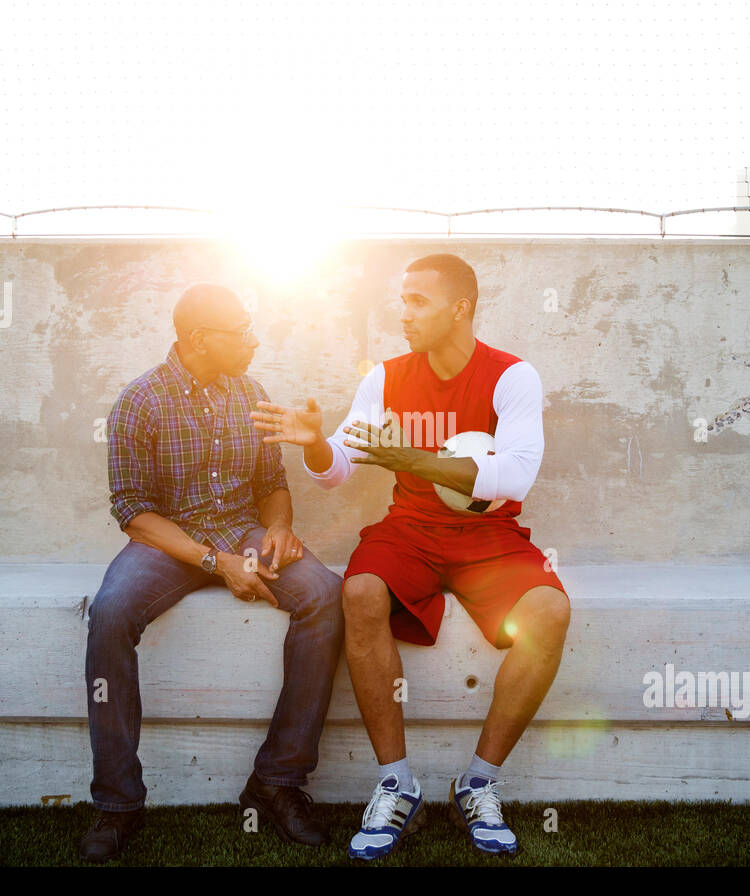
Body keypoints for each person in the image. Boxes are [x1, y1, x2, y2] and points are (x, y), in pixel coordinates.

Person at [252, 253, 571, 861]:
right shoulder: (385, 377)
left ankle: (478, 782)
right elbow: (338, 471)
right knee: (360, 592)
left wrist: (413, 461)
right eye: (402, 300)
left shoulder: (511, 375)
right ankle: (397, 784)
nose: (404, 314)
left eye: (418, 302)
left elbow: (516, 476)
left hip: (489, 537)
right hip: (412, 529)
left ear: (461, 308)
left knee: (550, 613)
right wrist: (318, 443)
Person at [80, 283, 345, 863]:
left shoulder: (250, 391)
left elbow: (272, 483)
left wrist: (278, 527)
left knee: (324, 594)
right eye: (241, 331)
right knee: (110, 613)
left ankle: (277, 780)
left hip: (242, 534)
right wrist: (213, 562)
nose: (254, 341)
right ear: (199, 339)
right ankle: (118, 801)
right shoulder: (139, 400)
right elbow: (133, 511)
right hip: (171, 543)